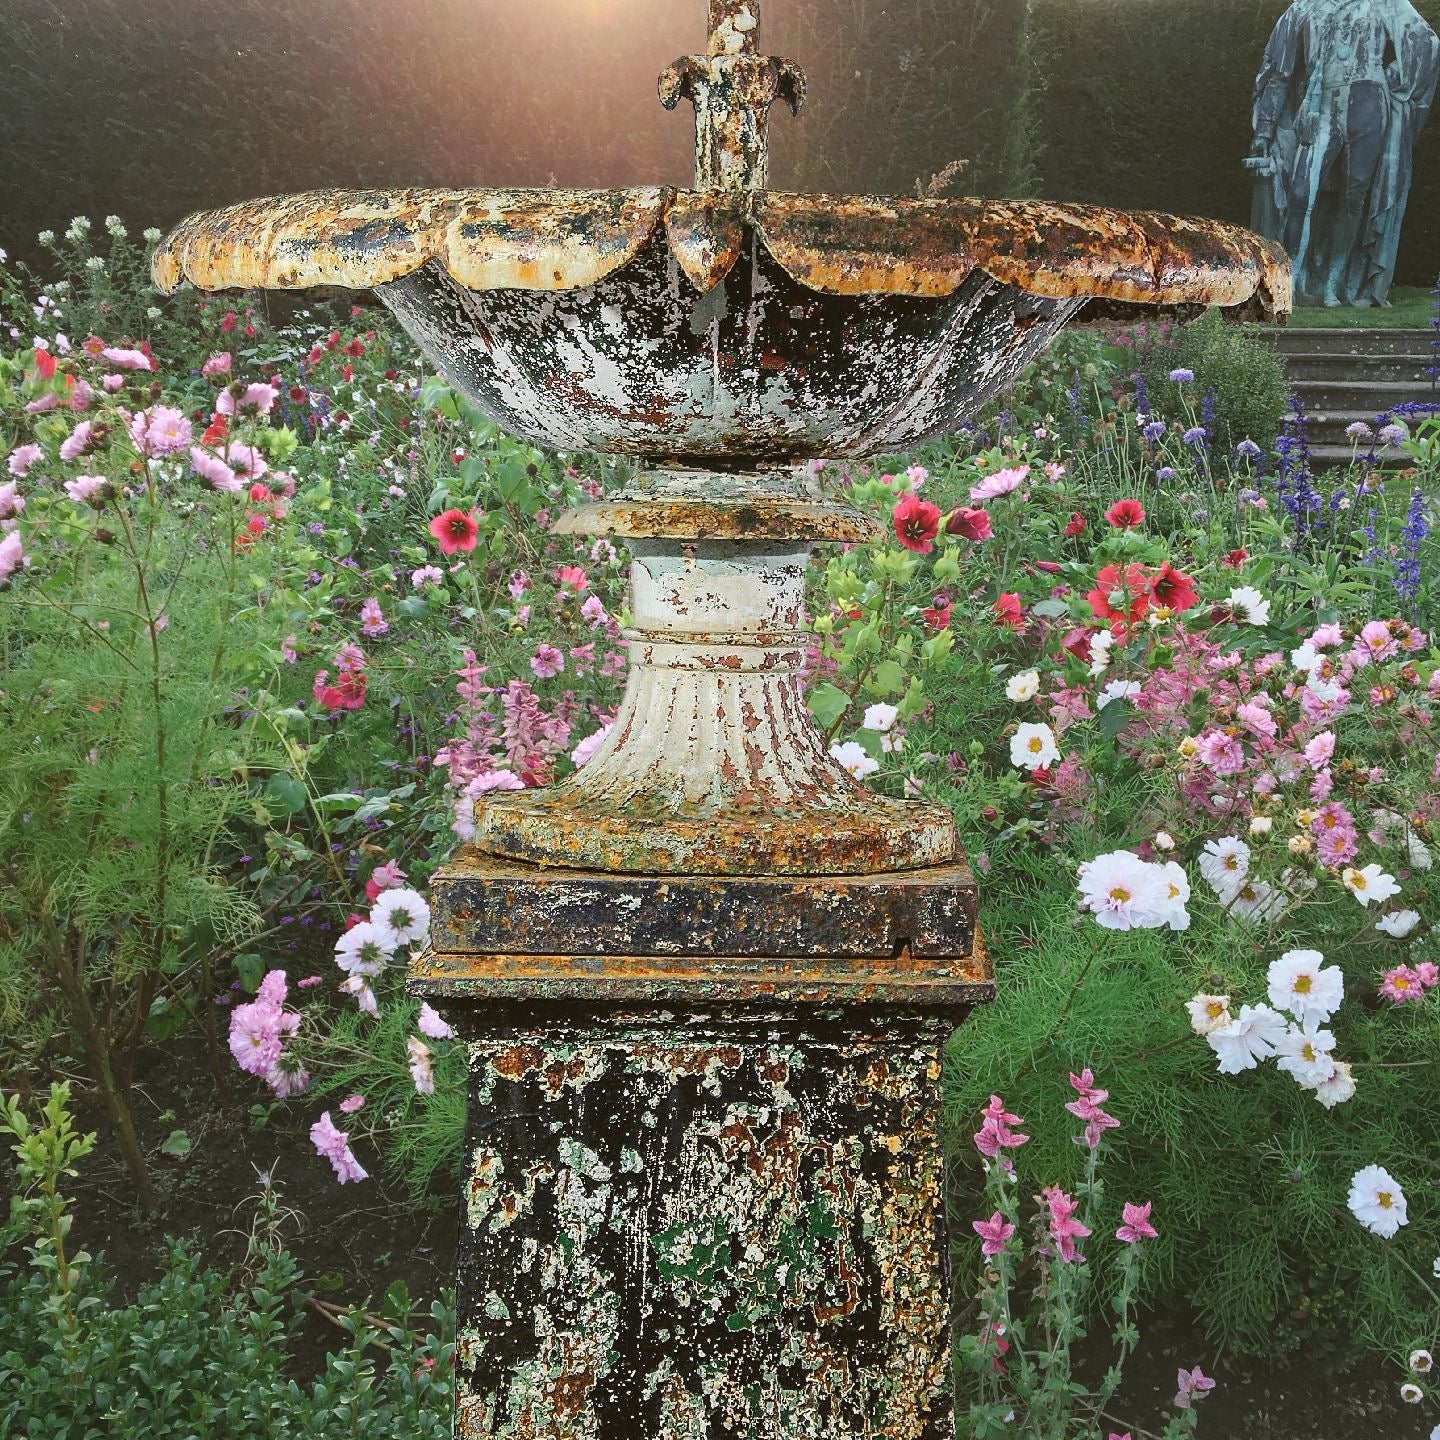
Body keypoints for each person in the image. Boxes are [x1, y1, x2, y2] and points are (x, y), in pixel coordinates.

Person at [1247, 0, 1439, 307]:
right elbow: (1278, 71)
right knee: (1301, 193)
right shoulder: (1304, 7)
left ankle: (1334, 283)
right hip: (1319, 105)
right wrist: (1265, 130)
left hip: (1369, 104)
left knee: (1354, 199)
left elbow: (1426, 41)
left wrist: (1389, 77)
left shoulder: (1384, 2)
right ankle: (1291, 277)